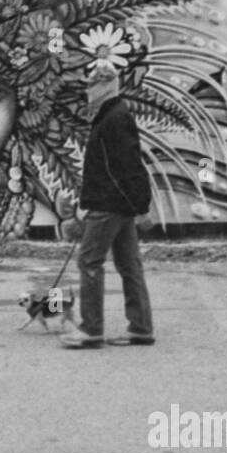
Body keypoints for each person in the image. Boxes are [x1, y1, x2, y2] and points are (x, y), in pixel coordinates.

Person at [61, 63, 155, 349]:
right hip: (117, 203)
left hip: (109, 204)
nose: (87, 92)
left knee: (89, 262)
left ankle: (91, 329)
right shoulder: (112, 115)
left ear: (103, 86)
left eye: (90, 86)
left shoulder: (114, 118)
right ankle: (141, 328)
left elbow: (127, 166)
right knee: (129, 265)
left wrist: (140, 206)